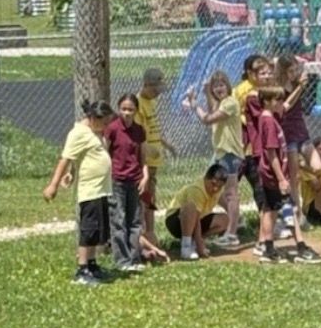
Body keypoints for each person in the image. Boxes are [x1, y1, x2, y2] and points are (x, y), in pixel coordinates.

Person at [43, 99, 115, 286]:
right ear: (93, 118)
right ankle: (82, 269)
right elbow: (66, 159)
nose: (106, 126)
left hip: (101, 189)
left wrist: (73, 173)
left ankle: (92, 265)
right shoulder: (78, 133)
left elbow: (83, 157)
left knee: (97, 230)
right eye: (104, 122)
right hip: (89, 190)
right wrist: (53, 185)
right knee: (88, 229)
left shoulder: (94, 131)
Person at [256, 86, 321, 264]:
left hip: (271, 176)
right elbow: (271, 153)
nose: (281, 103)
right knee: (290, 209)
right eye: (276, 100)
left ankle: (268, 249)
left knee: (270, 210)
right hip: (274, 176)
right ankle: (301, 247)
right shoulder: (269, 122)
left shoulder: (270, 116)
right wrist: (281, 179)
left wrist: (301, 87)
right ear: (266, 102)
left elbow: (287, 104)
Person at [185, 70, 243, 247]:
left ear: (228, 86)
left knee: (230, 193)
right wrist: (206, 93)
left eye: (222, 85)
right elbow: (212, 109)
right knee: (212, 188)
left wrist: (194, 104)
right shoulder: (221, 102)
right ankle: (236, 219)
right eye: (215, 86)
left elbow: (207, 119)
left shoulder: (231, 103)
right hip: (219, 152)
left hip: (230, 153)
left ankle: (232, 233)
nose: (219, 88)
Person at [276, 53, 321, 231]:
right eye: (291, 71)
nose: (294, 73)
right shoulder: (280, 88)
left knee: (317, 167)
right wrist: (299, 89)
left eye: (296, 69)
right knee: (294, 179)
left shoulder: (297, 83)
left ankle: (302, 168)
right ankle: (298, 215)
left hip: (301, 131)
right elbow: (284, 106)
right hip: (287, 133)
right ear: (283, 71)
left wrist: (301, 84)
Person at [104, 93, 149, 273]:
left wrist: (145, 177)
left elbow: (143, 156)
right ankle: (122, 260)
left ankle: (134, 257)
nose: (127, 113)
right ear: (119, 109)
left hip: (135, 180)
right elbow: (104, 152)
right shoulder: (113, 129)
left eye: (130, 109)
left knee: (135, 220)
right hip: (117, 180)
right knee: (119, 219)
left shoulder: (139, 131)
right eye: (123, 109)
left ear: (136, 110)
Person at [138, 67, 177, 246]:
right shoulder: (139, 105)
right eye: (155, 90)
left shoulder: (152, 103)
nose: (157, 94)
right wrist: (147, 152)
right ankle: (145, 235)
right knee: (144, 199)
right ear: (146, 85)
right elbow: (137, 137)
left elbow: (153, 129)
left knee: (150, 198)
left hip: (154, 162)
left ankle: (151, 231)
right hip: (144, 163)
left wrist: (166, 144)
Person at [234, 54, 271, 226]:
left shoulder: (264, 88)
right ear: (250, 72)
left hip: (256, 141)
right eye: (259, 70)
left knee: (259, 182)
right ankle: (235, 219)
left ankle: (267, 219)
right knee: (232, 182)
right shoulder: (245, 91)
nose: (264, 74)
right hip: (244, 141)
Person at [164, 163, 230, 260]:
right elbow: (196, 219)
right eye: (213, 184)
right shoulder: (197, 190)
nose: (215, 189)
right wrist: (200, 246)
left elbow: (226, 204)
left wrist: (235, 217)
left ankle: (193, 242)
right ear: (206, 178)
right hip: (175, 220)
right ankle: (186, 247)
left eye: (219, 186)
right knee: (191, 207)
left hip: (196, 219)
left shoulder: (218, 190)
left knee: (224, 219)